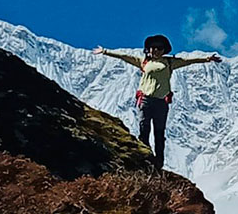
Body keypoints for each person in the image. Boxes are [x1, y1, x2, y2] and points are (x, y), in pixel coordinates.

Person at [94, 35, 221, 169]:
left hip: (161, 102)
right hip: (145, 99)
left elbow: (188, 61)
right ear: (148, 49)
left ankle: (159, 161)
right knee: (144, 128)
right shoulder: (143, 62)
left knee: (159, 133)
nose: (155, 50)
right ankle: (145, 156)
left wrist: (207, 59)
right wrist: (105, 51)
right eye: (153, 48)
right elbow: (124, 56)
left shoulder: (170, 62)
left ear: (164, 50)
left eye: (159, 48)